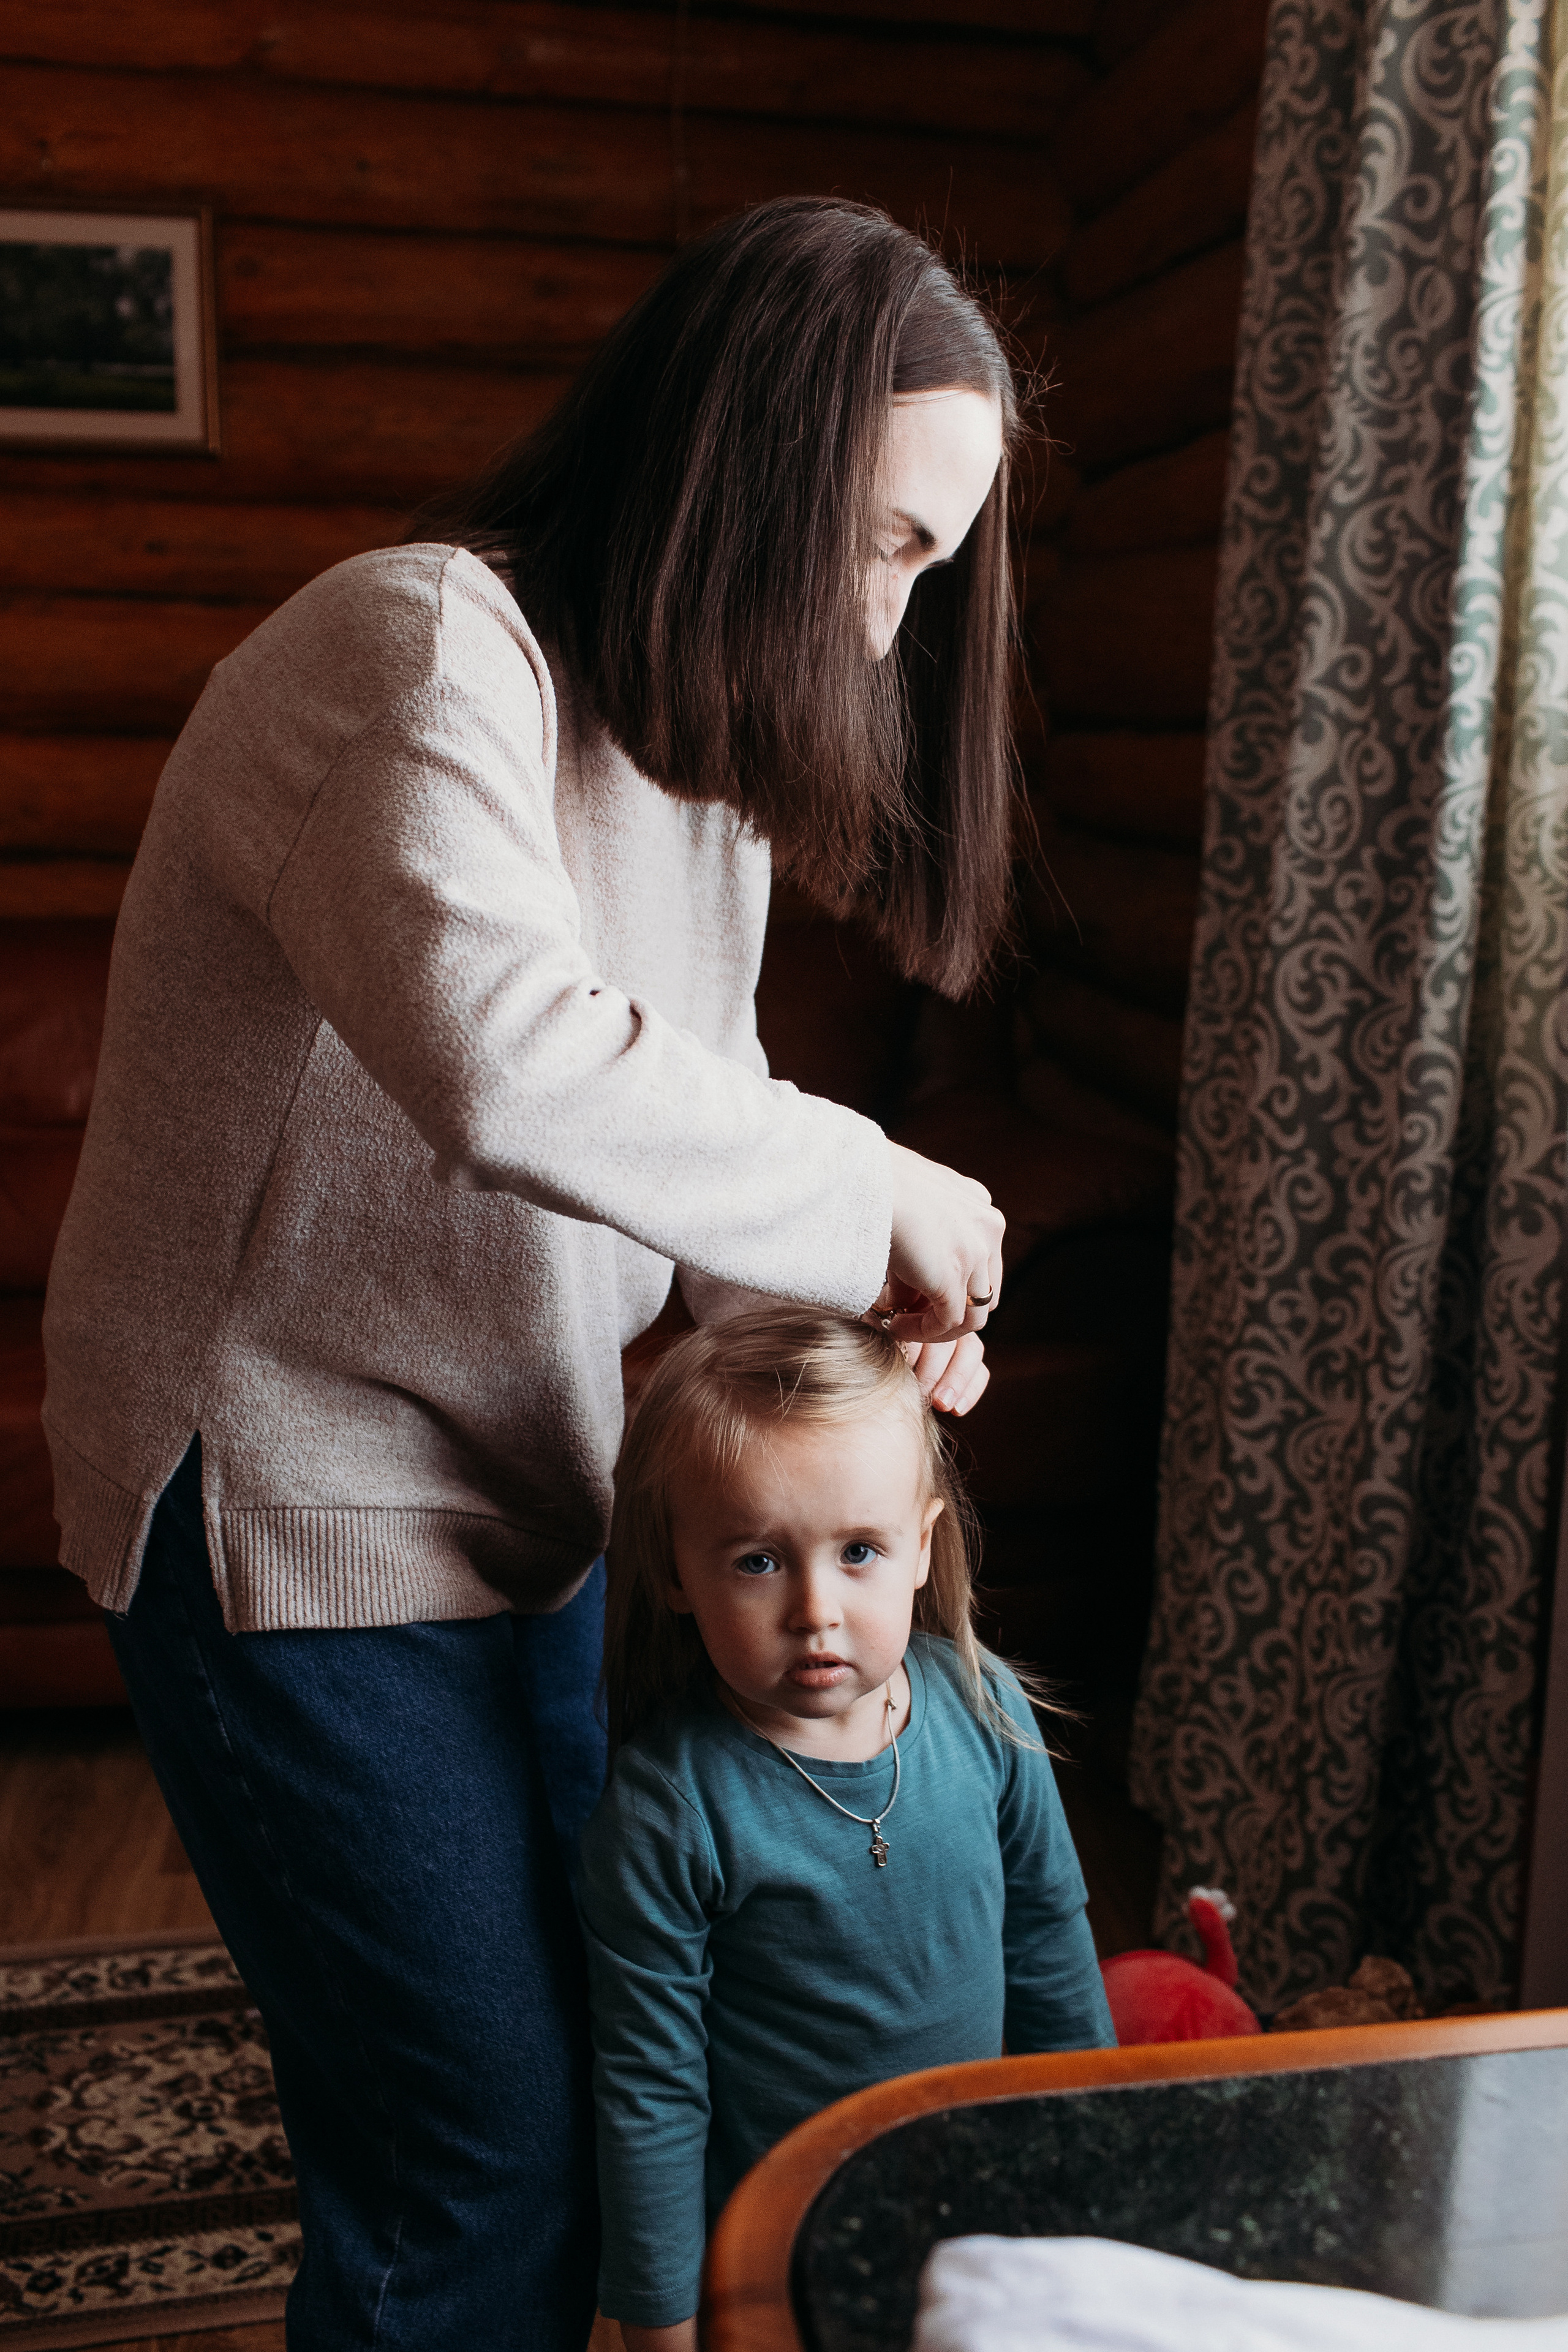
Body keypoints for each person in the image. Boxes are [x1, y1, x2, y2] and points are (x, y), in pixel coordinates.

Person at [41, 197, 1020, 2349]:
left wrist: (872, 1325)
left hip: (534, 1496)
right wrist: (878, 1186)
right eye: (879, 547)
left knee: (580, 2097)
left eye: (925, 572)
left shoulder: (692, 772)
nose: (883, 631)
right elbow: (517, 1067)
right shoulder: (412, 651)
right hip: (286, 1508)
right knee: (467, 2170)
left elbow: (692, 1136)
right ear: (739, 473)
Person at [580, 1306, 1117, 2350]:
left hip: (981, 2203)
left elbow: (1051, 1945)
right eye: (756, 1562)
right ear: (676, 1574)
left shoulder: (984, 1708)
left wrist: (1087, 2157)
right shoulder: (668, 1809)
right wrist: (657, 2321)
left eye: (860, 1550)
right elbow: (650, 2086)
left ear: (923, 1546)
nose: (816, 1608)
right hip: (789, 2238)